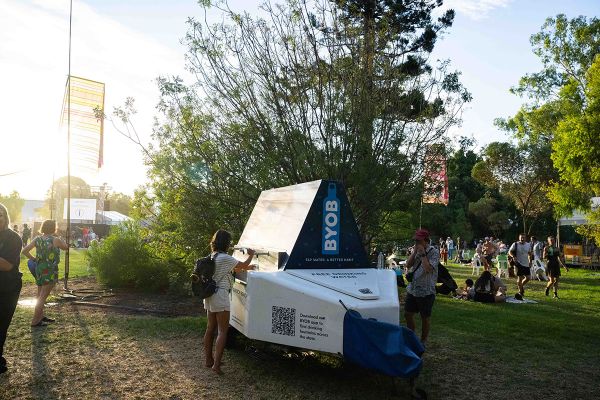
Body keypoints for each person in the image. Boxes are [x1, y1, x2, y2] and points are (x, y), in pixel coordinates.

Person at [203, 229, 255, 375]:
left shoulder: (213, 255)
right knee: (222, 331)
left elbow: (234, 268)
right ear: (226, 243)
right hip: (220, 295)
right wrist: (251, 255)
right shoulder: (225, 257)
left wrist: (246, 266)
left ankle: (209, 360)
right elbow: (243, 266)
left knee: (210, 328)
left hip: (209, 294)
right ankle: (216, 365)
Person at [22, 219, 69, 327]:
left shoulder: (37, 239)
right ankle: (35, 320)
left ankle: (40, 316)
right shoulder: (55, 240)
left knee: (40, 294)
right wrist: (62, 239)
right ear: (54, 228)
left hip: (39, 268)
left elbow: (24, 251)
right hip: (50, 269)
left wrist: (33, 259)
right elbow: (66, 248)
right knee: (43, 296)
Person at [404, 228, 439, 346]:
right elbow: (408, 265)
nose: (416, 243)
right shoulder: (415, 250)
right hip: (413, 288)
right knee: (408, 314)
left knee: (425, 317)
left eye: (419, 240)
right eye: (415, 240)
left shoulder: (434, 252)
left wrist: (423, 254)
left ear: (426, 240)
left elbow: (428, 269)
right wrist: (414, 253)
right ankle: (411, 337)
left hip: (426, 290)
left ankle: (423, 341)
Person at [0, 203, 23, 374]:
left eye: (0, 214)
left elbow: (7, 265)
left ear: (5, 217)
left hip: (7, 287)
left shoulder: (13, 238)